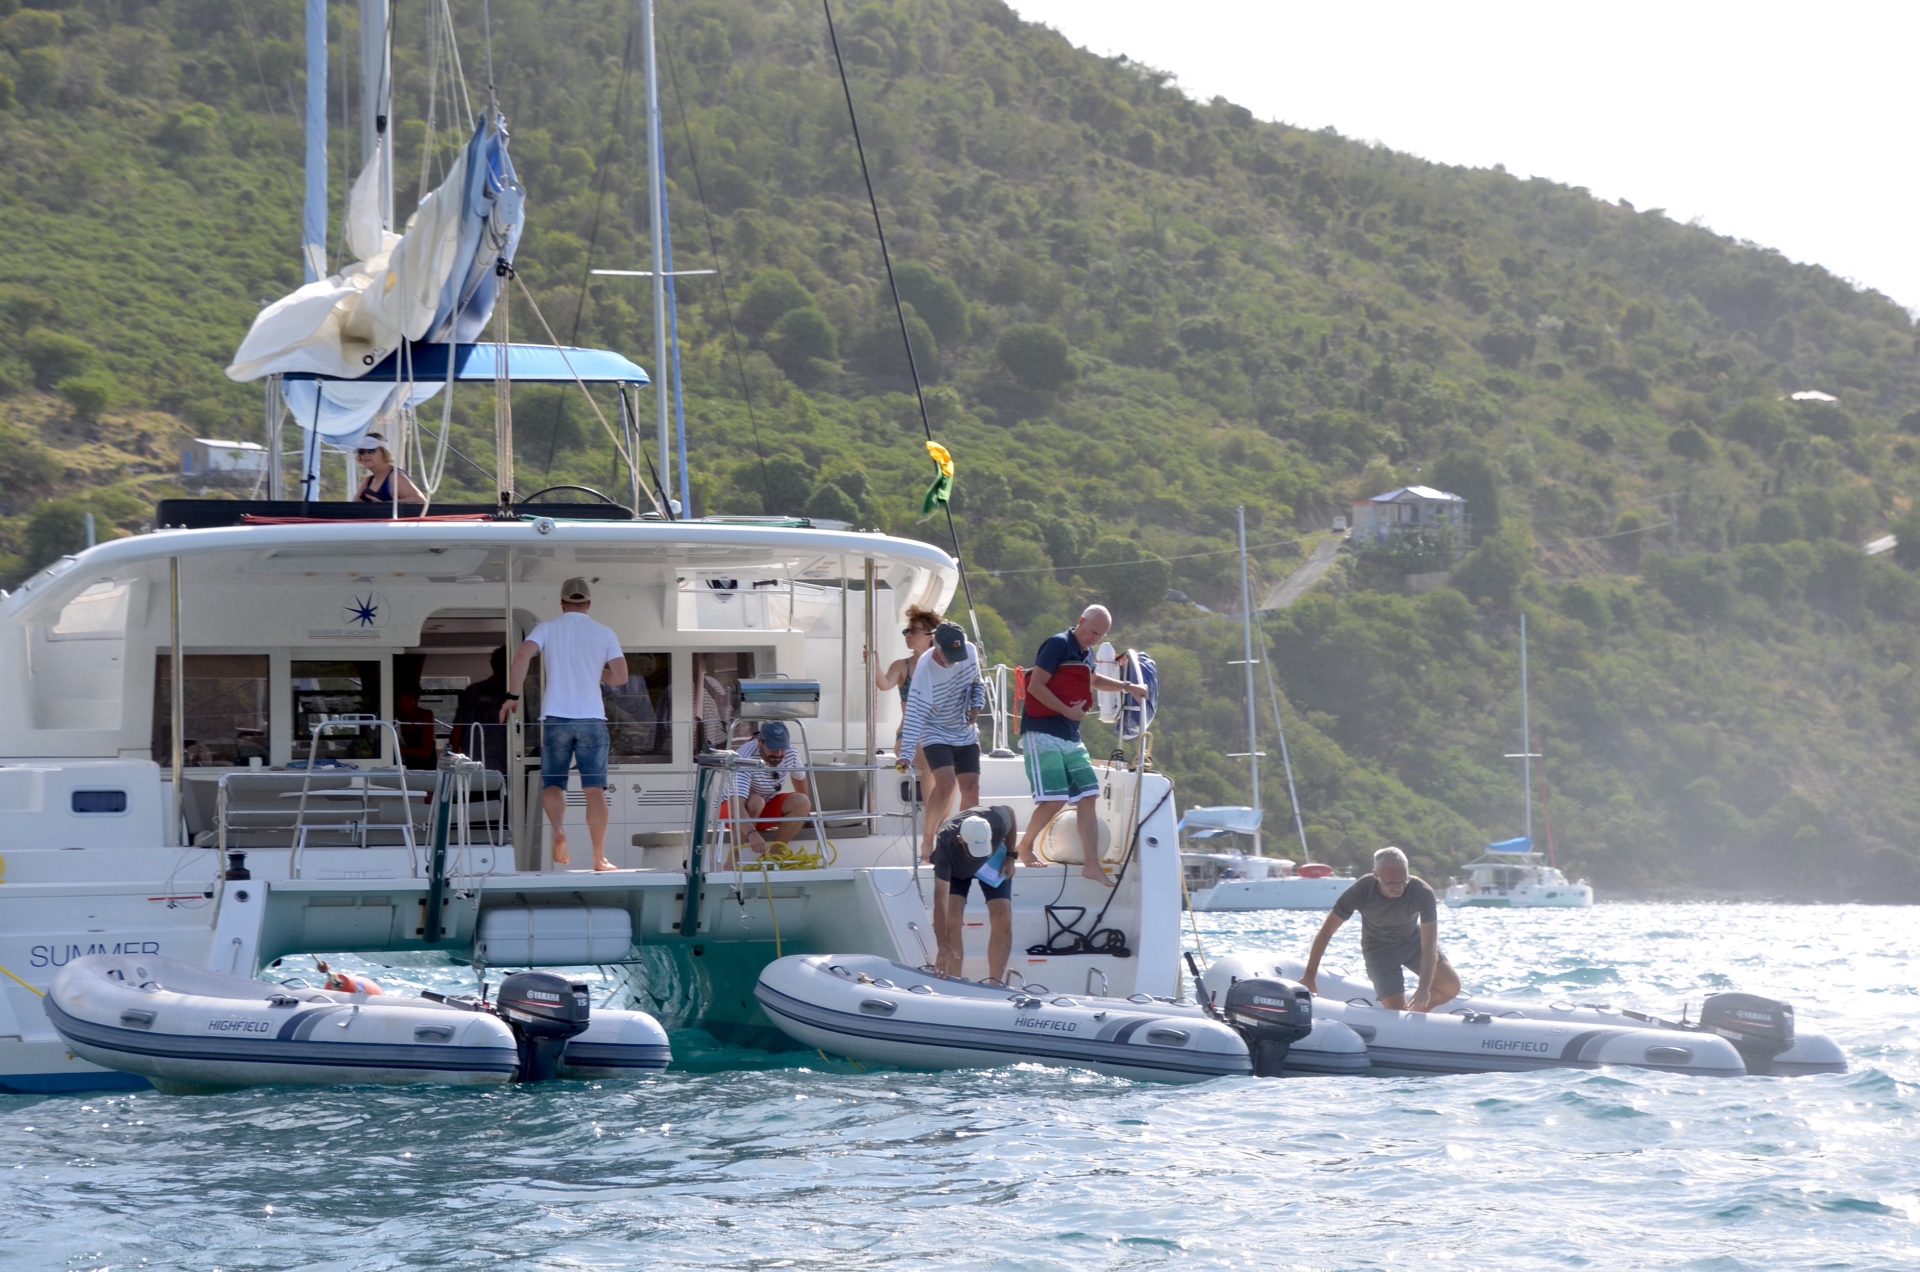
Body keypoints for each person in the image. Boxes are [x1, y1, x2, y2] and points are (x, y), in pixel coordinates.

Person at [1012, 604, 1149, 887]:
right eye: (1091, 632)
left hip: (1070, 734)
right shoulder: (1057, 645)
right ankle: (1024, 847)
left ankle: (1091, 865)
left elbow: (1094, 680)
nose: (1093, 639)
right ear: (1081, 622)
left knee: (1089, 793)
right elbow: (1036, 686)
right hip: (1042, 731)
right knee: (1055, 799)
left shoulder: (1087, 654)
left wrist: (1127, 687)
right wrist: (1066, 710)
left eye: (1100, 636)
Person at [500, 577, 628, 871]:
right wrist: (598, 674)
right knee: (594, 789)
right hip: (592, 719)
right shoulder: (604, 632)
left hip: (556, 717)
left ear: (562, 603)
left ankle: (558, 828)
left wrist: (513, 695)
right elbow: (620, 677)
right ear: (589, 604)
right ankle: (599, 857)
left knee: (554, 783)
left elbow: (522, 657)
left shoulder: (547, 628)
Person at [1301, 846, 1461, 1012]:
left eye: (1403, 881)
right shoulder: (1361, 891)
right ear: (1375, 875)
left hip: (1412, 942)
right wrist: (1309, 976)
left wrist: (1423, 988)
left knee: (1451, 987)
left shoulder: (1422, 892)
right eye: (1391, 883)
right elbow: (1326, 932)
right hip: (1378, 950)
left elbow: (1429, 945)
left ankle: (1412, 1017)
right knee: (1396, 1012)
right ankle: (1402, 1019)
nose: (1399, 888)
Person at [897, 621, 988, 864]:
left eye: (957, 655)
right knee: (946, 783)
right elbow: (914, 714)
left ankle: (966, 842)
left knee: (972, 787)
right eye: (950, 656)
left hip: (963, 728)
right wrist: (906, 753)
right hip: (934, 729)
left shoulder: (968, 652)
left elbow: (977, 683)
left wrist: (977, 706)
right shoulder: (925, 670)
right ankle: (929, 837)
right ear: (936, 645)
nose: (954, 661)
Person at [929, 804, 1020, 982]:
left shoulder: (997, 820)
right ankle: (955, 983)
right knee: (952, 920)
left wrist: (1011, 855)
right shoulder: (945, 844)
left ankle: (995, 984)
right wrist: (942, 944)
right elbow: (940, 904)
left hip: (992, 858)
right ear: (961, 840)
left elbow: (1010, 812)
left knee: (1003, 916)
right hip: (957, 869)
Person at [728, 720, 813, 859]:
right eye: (773, 749)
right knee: (756, 801)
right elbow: (736, 803)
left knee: (803, 801)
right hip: (732, 811)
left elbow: (799, 778)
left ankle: (773, 856)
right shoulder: (744, 758)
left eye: (782, 748)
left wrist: (805, 817)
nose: (779, 754)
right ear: (760, 742)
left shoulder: (791, 753)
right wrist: (752, 834)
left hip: (764, 809)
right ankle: (732, 860)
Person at [877, 606, 940, 790]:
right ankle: (933, 818)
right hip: (908, 738)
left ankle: (941, 817)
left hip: (937, 734)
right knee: (931, 761)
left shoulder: (943, 667)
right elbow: (884, 684)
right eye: (907, 631)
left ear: (930, 635)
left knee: (948, 766)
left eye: (914, 631)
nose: (908, 635)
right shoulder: (901, 666)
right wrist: (874, 664)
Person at [353, 432, 426, 505]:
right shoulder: (368, 481)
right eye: (361, 452)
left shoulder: (395, 478)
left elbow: (420, 500)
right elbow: (353, 506)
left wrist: (385, 505)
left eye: (371, 451)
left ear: (384, 452)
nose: (366, 455)